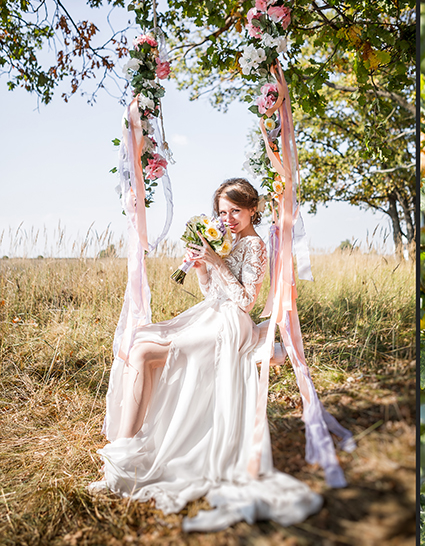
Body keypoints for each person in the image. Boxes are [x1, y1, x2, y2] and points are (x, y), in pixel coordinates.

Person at [89, 178, 322, 532]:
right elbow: (212, 290)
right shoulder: (230, 242)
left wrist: (217, 261)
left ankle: (121, 461)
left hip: (230, 325)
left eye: (235, 211)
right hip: (211, 313)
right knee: (139, 347)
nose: (227, 218)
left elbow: (245, 301)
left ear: (252, 210)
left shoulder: (255, 246)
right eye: (222, 211)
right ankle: (124, 453)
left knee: (146, 352)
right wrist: (202, 268)